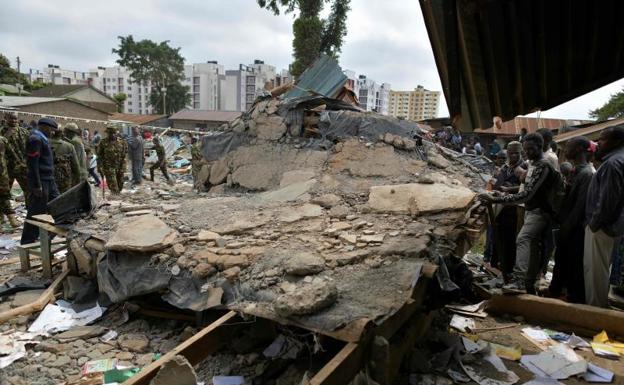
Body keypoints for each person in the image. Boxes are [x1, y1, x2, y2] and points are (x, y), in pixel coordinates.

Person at [479, 134, 557, 294]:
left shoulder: (543, 165)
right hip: (531, 210)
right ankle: (528, 281)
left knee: (523, 239)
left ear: (540, 147)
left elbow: (527, 194)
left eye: (530, 149)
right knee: (532, 246)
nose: (527, 153)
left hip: (540, 211)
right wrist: (502, 195)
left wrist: (498, 199)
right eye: (526, 149)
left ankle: (520, 281)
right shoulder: (532, 164)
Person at [548, 137, 594, 303]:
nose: (565, 149)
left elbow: (580, 206)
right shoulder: (576, 171)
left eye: (569, 146)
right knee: (562, 260)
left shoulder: (587, 174)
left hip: (574, 228)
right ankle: (556, 290)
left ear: (580, 149)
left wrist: (567, 227)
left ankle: (574, 298)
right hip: (566, 225)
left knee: (574, 263)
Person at [584, 125, 624, 307]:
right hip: (614, 225)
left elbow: (607, 200)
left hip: (602, 227)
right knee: (601, 269)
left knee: (595, 271)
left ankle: (595, 310)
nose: (598, 143)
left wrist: (594, 224)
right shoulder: (618, 160)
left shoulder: (612, 164)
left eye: (603, 140)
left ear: (616, 142)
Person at [490, 142, 526, 281]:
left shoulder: (524, 168)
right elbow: (498, 184)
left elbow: (526, 187)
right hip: (500, 207)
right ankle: (494, 266)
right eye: (511, 153)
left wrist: (510, 189)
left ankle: (508, 269)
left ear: (521, 152)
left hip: (514, 209)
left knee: (510, 241)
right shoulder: (505, 167)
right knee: (497, 237)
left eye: (516, 153)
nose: (514, 156)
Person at [21, 118, 60, 245]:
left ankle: (48, 234)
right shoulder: (35, 139)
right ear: (44, 127)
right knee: (36, 210)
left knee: (59, 203)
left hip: (49, 179)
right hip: (41, 180)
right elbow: (33, 164)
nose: (53, 133)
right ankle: (27, 240)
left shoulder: (41, 137)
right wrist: (37, 185)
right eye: (52, 130)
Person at [2, 111, 30, 204]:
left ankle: (29, 212)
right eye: (11, 118)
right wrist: (7, 135)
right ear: (6, 118)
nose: (14, 121)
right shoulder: (2, 132)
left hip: (22, 166)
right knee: (4, 192)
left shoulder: (24, 131)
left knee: (28, 190)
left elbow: (30, 147)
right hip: (7, 167)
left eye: (15, 118)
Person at [49, 126, 81, 194]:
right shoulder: (69, 146)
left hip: (47, 176)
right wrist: (78, 178)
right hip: (64, 178)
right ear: (61, 134)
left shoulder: (44, 142)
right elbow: (75, 164)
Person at [97, 125, 127, 194]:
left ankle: (117, 197)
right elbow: (99, 156)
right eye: (110, 133)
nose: (112, 135)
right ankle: (115, 198)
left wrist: (123, 167)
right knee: (113, 186)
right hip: (109, 167)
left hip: (119, 166)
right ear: (108, 133)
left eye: (114, 133)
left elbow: (124, 155)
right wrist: (100, 168)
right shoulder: (103, 142)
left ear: (116, 133)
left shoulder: (122, 142)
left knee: (120, 185)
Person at [0, 135, 18, 228]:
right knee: (4, 195)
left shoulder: (2, 140)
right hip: (2, 173)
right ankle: (11, 219)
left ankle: (10, 218)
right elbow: (13, 155)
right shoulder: (2, 139)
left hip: (3, 173)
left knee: (4, 195)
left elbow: (12, 155)